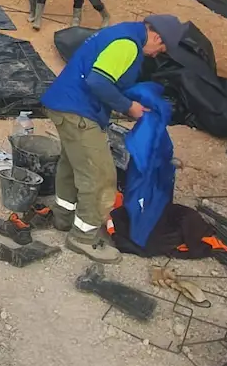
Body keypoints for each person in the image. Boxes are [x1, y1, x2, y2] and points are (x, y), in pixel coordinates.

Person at [38, 13, 188, 262]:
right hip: (79, 111)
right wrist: (129, 107)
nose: (157, 54)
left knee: (72, 164)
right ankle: (83, 238)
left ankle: (63, 217)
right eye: (162, 48)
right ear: (157, 36)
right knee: (100, 176)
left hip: (63, 104)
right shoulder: (128, 45)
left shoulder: (122, 32)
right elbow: (99, 80)